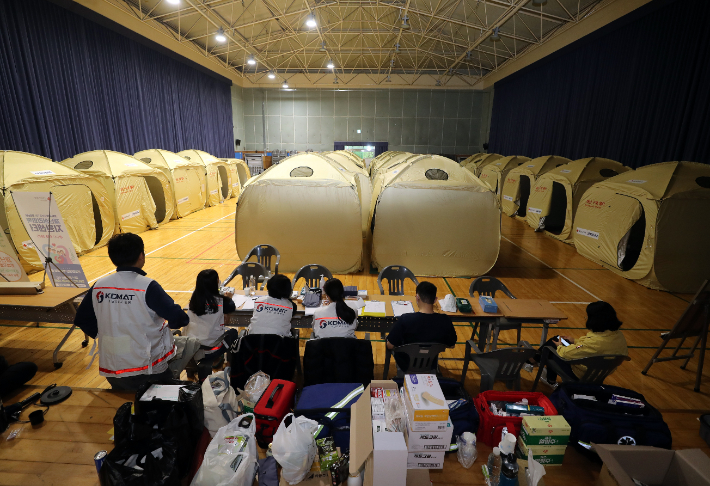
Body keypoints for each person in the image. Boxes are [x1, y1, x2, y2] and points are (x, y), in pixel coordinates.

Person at [75, 233, 189, 391]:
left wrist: (109, 337)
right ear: (141, 256)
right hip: (148, 373)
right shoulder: (148, 286)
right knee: (189, 345)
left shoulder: (99, 285)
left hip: (112, 372)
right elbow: (180, 318)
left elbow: (81, 319)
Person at [526, 301, 628, 388]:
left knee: (550, 348)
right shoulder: (618, 335)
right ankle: (535, 363)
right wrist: (575, 341)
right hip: (600, 373)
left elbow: (566, 354)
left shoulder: (593, 343)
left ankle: (535, 364)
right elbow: (585, 347)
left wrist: (560, 346)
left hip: (581, 374)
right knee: (557, 338)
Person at [386, 281, 457, 370]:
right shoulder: (445, 320)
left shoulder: (405, 319)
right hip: (430, 363)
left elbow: (389, 345)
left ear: (417, 297)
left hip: (406, 364)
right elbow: (451, 345)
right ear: (435, 300)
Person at [182, 269, 239, 380]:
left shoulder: (193, 299)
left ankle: (191, 371)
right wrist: (228, 297)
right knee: (233, 333)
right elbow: (231, 306)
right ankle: (229, 364)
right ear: (215, 283)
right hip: (210, 349)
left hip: (190, 347)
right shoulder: (222, 302)